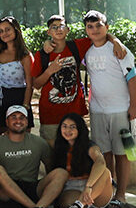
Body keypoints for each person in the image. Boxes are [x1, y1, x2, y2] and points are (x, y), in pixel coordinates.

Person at [31, 15, 125, 144]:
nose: (59, 29)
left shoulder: (77, 46)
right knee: (52, 154)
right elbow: (36, 84)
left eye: (62, 26)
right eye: (54, 27)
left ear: (68, 29)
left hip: (74, 111)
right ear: (49, 32)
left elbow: (100, 35)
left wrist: (116, 42)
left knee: (77, 151)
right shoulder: (42, 54)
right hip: (50, 114)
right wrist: (49, 71)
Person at [82, 10, 136, 208]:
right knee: (104, 153)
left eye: (99, 25)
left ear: (107, 27)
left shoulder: (119, 50)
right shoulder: (86, 51)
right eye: (90, 26)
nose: (95, 29)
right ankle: (109, 193)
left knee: (124, 152)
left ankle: (121, 195)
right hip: (98, 111)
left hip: (121, 111)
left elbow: (132, 78)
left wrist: (133, 106)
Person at [0, 105, 65, 208]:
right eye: (14, 117)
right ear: (7, 121)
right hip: (6, 194)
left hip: (32, 189)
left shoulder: (39, 142)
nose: (18, 121)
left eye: (22, 117)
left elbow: (50, 168)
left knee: (61, 173)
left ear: (27, 121)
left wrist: (52, 194)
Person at [52, 113, 115, 208]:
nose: (68, 130)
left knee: (105, 172)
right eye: (64, 126)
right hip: (72, 186)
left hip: (94, 186)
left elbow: (100, 162)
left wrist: (88, 186)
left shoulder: (89, 146)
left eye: (72, 127)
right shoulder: (58, 146)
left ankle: (79, 206)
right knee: (65, 204)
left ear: (80, 129)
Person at [0, 16, 34, 134]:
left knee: (21, 140)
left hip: (18, 98)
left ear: (16, 30)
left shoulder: (25, 55)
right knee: (3, 140)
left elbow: (30, 85)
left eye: (8, 29)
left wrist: (25, 106)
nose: (4, 33)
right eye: (1, 31)